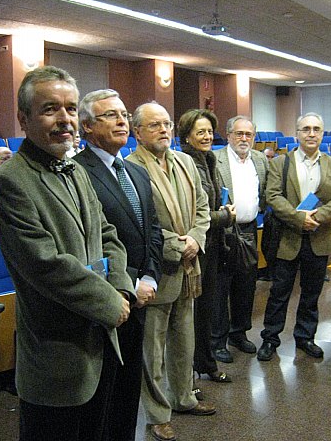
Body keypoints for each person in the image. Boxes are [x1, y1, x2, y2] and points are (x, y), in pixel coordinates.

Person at [0, 66, 135, 441]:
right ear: (24, 119)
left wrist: (121, 287)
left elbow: (107, 234)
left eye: (70, 108)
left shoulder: (76, 168)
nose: (65, 119)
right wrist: (111, 303)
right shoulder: (11, 181)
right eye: (50, 108)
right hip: (57, 356)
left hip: (102, 340)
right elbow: (46, 265)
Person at [74, 88, 163, 441]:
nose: (122, 121)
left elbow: (153, 230)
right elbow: (87, 244)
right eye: (110, 115)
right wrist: (126, 284)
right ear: (86, 127)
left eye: (124, 114)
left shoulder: (136, 173)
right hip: (107, 297)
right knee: (102, 395)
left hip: (142, 294)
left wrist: (151, 278)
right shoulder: (77, 174)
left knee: (128, 391)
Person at [127, 102, 214, 441]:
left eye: (166, 124)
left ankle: (183, 398)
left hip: (189, 268)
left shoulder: (186, 162)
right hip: (157, 270)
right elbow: (137, 225)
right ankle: (157, 414)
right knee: (153, 350)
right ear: (137, 132)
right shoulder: (131, 168)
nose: (164, 130)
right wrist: (177, 247)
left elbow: (204, 207)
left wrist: (195, 238)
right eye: (154, 125)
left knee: (184, 341)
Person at [257, 113, 331, 362]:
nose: (311, 134)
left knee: (311, 293)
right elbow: (273, 196)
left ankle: (305, 337)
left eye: (316, 129)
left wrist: (317, 217)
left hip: (320, 237)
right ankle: (270, 338)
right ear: (297, 133)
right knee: (279, 293)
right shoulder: (280, 163)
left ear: (322, 133)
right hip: (288, 237)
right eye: (306, 129)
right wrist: (299, 219)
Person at [177, 109, 235, 388]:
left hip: (212, 247)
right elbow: (193, 215)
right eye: (200, 132)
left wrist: (225, 208)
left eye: (210, 131)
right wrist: (225, 216)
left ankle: (206, 363)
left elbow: (215, 200)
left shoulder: (210, 159)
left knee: (206, 312)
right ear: (187, 135)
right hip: (193, 249)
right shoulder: (185, 162)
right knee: (190, 316)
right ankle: (186, 376)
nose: (207, 136)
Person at [212, 115, 269, 363]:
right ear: (228, 135)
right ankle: (217, 340)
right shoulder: (215, 159)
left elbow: (264, 192)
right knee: (221, 287)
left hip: (249, 229)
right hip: (223, 232)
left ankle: (239, 332)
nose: (244, 138)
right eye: (238, 133)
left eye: (249, 134)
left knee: (246, 286)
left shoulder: (259, 159)